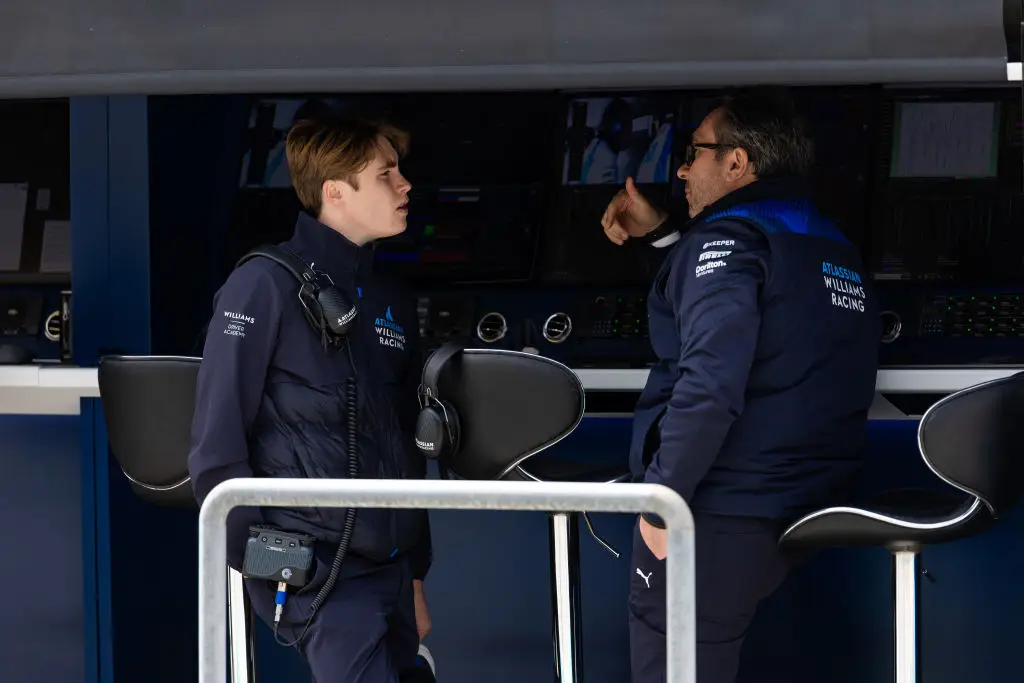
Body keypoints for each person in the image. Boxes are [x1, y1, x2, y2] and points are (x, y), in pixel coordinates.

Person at [600, 89, 881, 683]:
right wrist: (664, 241)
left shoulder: (727, 243)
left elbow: (709, 381)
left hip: (722, 506)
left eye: (693, 152)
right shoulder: (831, 242)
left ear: (736, 162)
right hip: (806, 502)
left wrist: (662, 501)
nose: (680, 169)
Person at [188, 114, 436, 683]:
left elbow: (402, 446)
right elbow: (215, 446)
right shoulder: (263, 283)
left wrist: (416, 575)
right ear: (335, 192)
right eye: (386, 174)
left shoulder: (386, 296)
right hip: (319, 572)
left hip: (391, 569)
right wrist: (270, 564)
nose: (405, 186)